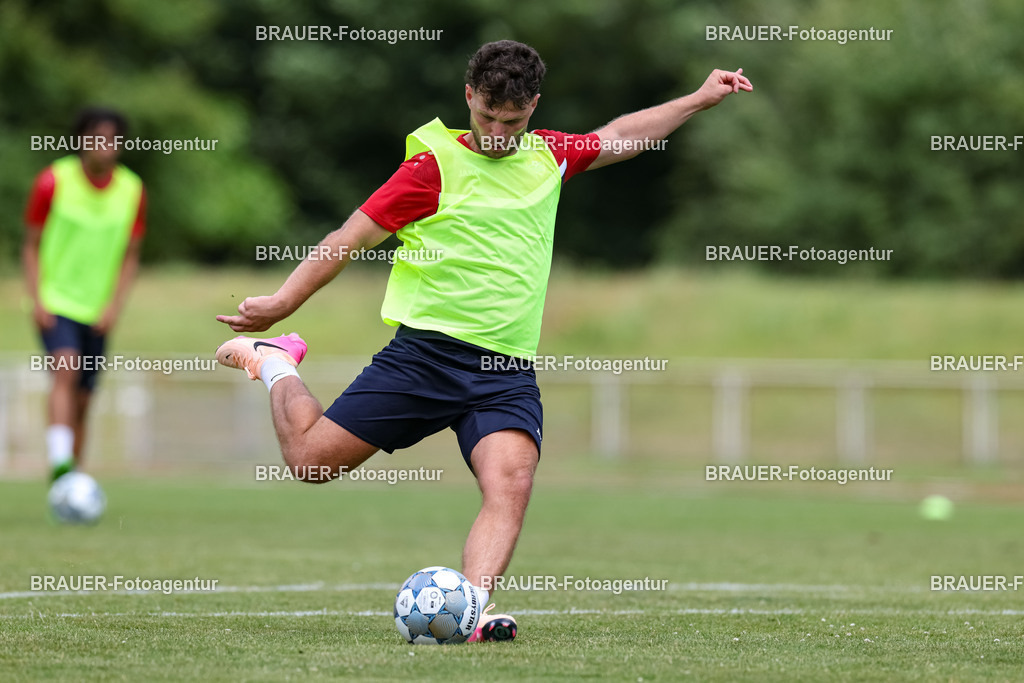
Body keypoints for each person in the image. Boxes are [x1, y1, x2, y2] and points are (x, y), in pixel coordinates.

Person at [216, 40, 751, 641]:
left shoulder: (549, 156)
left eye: (513, 122)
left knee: (510, 483)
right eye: (487, 117)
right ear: (468, 97)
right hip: (424, 358)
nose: (498, 133)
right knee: (310, 465)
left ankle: (469, 612)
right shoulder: (431, 168)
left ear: (534, 108)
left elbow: (621, 134)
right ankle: (276, 364)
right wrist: (282, 304)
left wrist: (702, 99)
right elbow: (348, 238)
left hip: (504, 373)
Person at [23, 107, 146, 481]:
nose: (105, 147)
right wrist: (38, 298)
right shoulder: (52, 181)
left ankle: (71, 479)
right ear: (81, 140)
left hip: (98, 310)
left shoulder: (132, 190)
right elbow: (30, 244)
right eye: (98, 138)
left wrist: (114, 306)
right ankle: (59, 462)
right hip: (57, 301)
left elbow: (131, 255)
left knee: (84, 397)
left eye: (113, 139)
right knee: (65, 369)